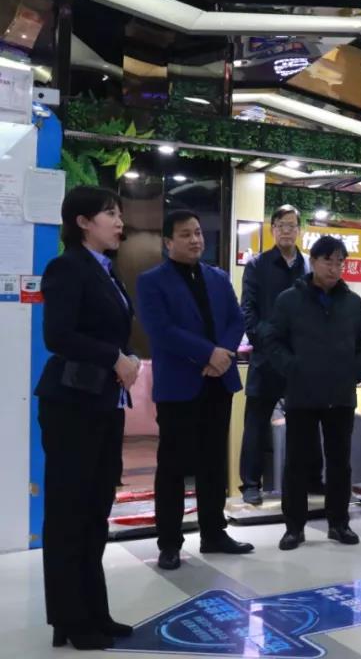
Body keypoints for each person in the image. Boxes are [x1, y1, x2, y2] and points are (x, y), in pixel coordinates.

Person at [34, 187, 137, 650]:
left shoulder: (106, 269)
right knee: (69, 515)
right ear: (82, 221)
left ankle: (94, 611)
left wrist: (123, 360)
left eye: (119, 213)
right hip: (71, 406)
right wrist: (115, 358)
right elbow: (57, 335)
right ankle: (71, 620)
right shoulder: (67, 267)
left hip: (103, 403)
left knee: (95, 513)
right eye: (109, 214)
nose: (119, 222)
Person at [137, 210, 253, 571]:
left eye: (198, 233)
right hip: (179, 385)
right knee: (172, 466)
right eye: (186, 234)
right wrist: (208, 354)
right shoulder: (151, 281)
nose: (195, 240)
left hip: (218, 382)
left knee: (213, 462)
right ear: (168, 241)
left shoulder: (217, 277)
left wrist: (223, 353)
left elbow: (236, 319)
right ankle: (170, 543)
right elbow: (161, 330)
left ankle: (214, 533)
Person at [268, 236, 361, 550]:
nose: (334, 267)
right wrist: (292, 367)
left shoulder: (352, 302)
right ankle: (294, 528)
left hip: (340, 393)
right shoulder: (289, 300)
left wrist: (357, 370)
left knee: (340, 461)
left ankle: (339, 523)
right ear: (313, 262)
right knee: (297, 462)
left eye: (340, 261)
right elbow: (273, 340)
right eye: (328, 260)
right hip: (302, 392)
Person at [238, 204, 311, 506]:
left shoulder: (308, 267)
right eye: (281, 225)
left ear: (299, 230)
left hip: (299, 360)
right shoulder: (258, 265)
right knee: (256, 422)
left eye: (292, 226)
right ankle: (250, 484)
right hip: (266, 357)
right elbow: (247, 310)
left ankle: (305, 481)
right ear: (272, 230)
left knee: (303, 423)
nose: (287, 231)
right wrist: (267, 342)